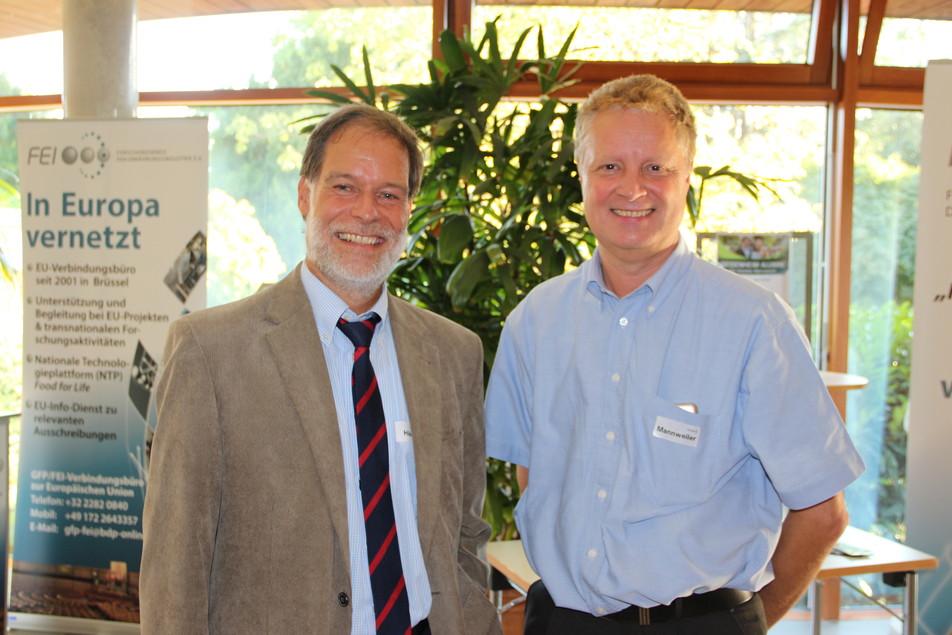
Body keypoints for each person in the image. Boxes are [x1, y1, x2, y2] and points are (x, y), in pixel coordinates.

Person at [485, 75, 865, 634]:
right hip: (562, 621)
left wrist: (747, 623)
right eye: (609, 166)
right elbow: (532, 473)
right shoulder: (536, 320)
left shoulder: (753, 322)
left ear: (687, 178)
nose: (632, 188)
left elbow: (823, 514)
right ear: (582, 177)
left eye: (655, 168)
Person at [141, 104, 501, 635]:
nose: (367, 213)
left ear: (408, 211)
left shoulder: (454, 353)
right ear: (306, 196)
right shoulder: (209, 351)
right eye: (345, 187)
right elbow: (176, 564)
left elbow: (465, 535)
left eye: (389, 194)